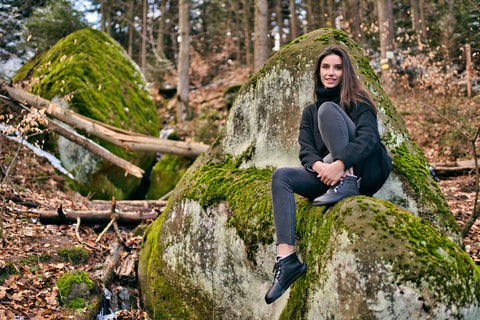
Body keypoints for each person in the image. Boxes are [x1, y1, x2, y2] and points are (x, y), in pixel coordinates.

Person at [264, 46, 392, 304]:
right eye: (325, 67)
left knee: (327, 111)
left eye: (337, 67)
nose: (330, 73)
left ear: (346, 72)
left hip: (366, 171)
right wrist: (322, 168)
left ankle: (348, 181)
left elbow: (369, 140)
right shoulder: (310, 112)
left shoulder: (358, 101)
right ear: (318, 71)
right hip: (329, 176)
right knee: (281, 177)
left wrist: (341, 165)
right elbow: (306, 151)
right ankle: (287, 260)